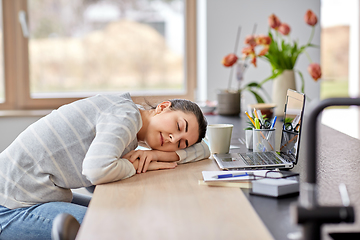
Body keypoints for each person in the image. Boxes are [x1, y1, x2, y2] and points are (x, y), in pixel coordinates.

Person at [0, 92, 210, 240]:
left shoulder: (130, 118)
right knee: (113, 227)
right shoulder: (125, 117)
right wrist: (132, 166)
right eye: (178, 126)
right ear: (162, 107)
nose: (174, 138)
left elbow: (205, 150)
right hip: (10, 206)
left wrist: (158, 154)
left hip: (31, 196)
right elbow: (96, 171)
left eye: (181, 143)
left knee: (126, 217)